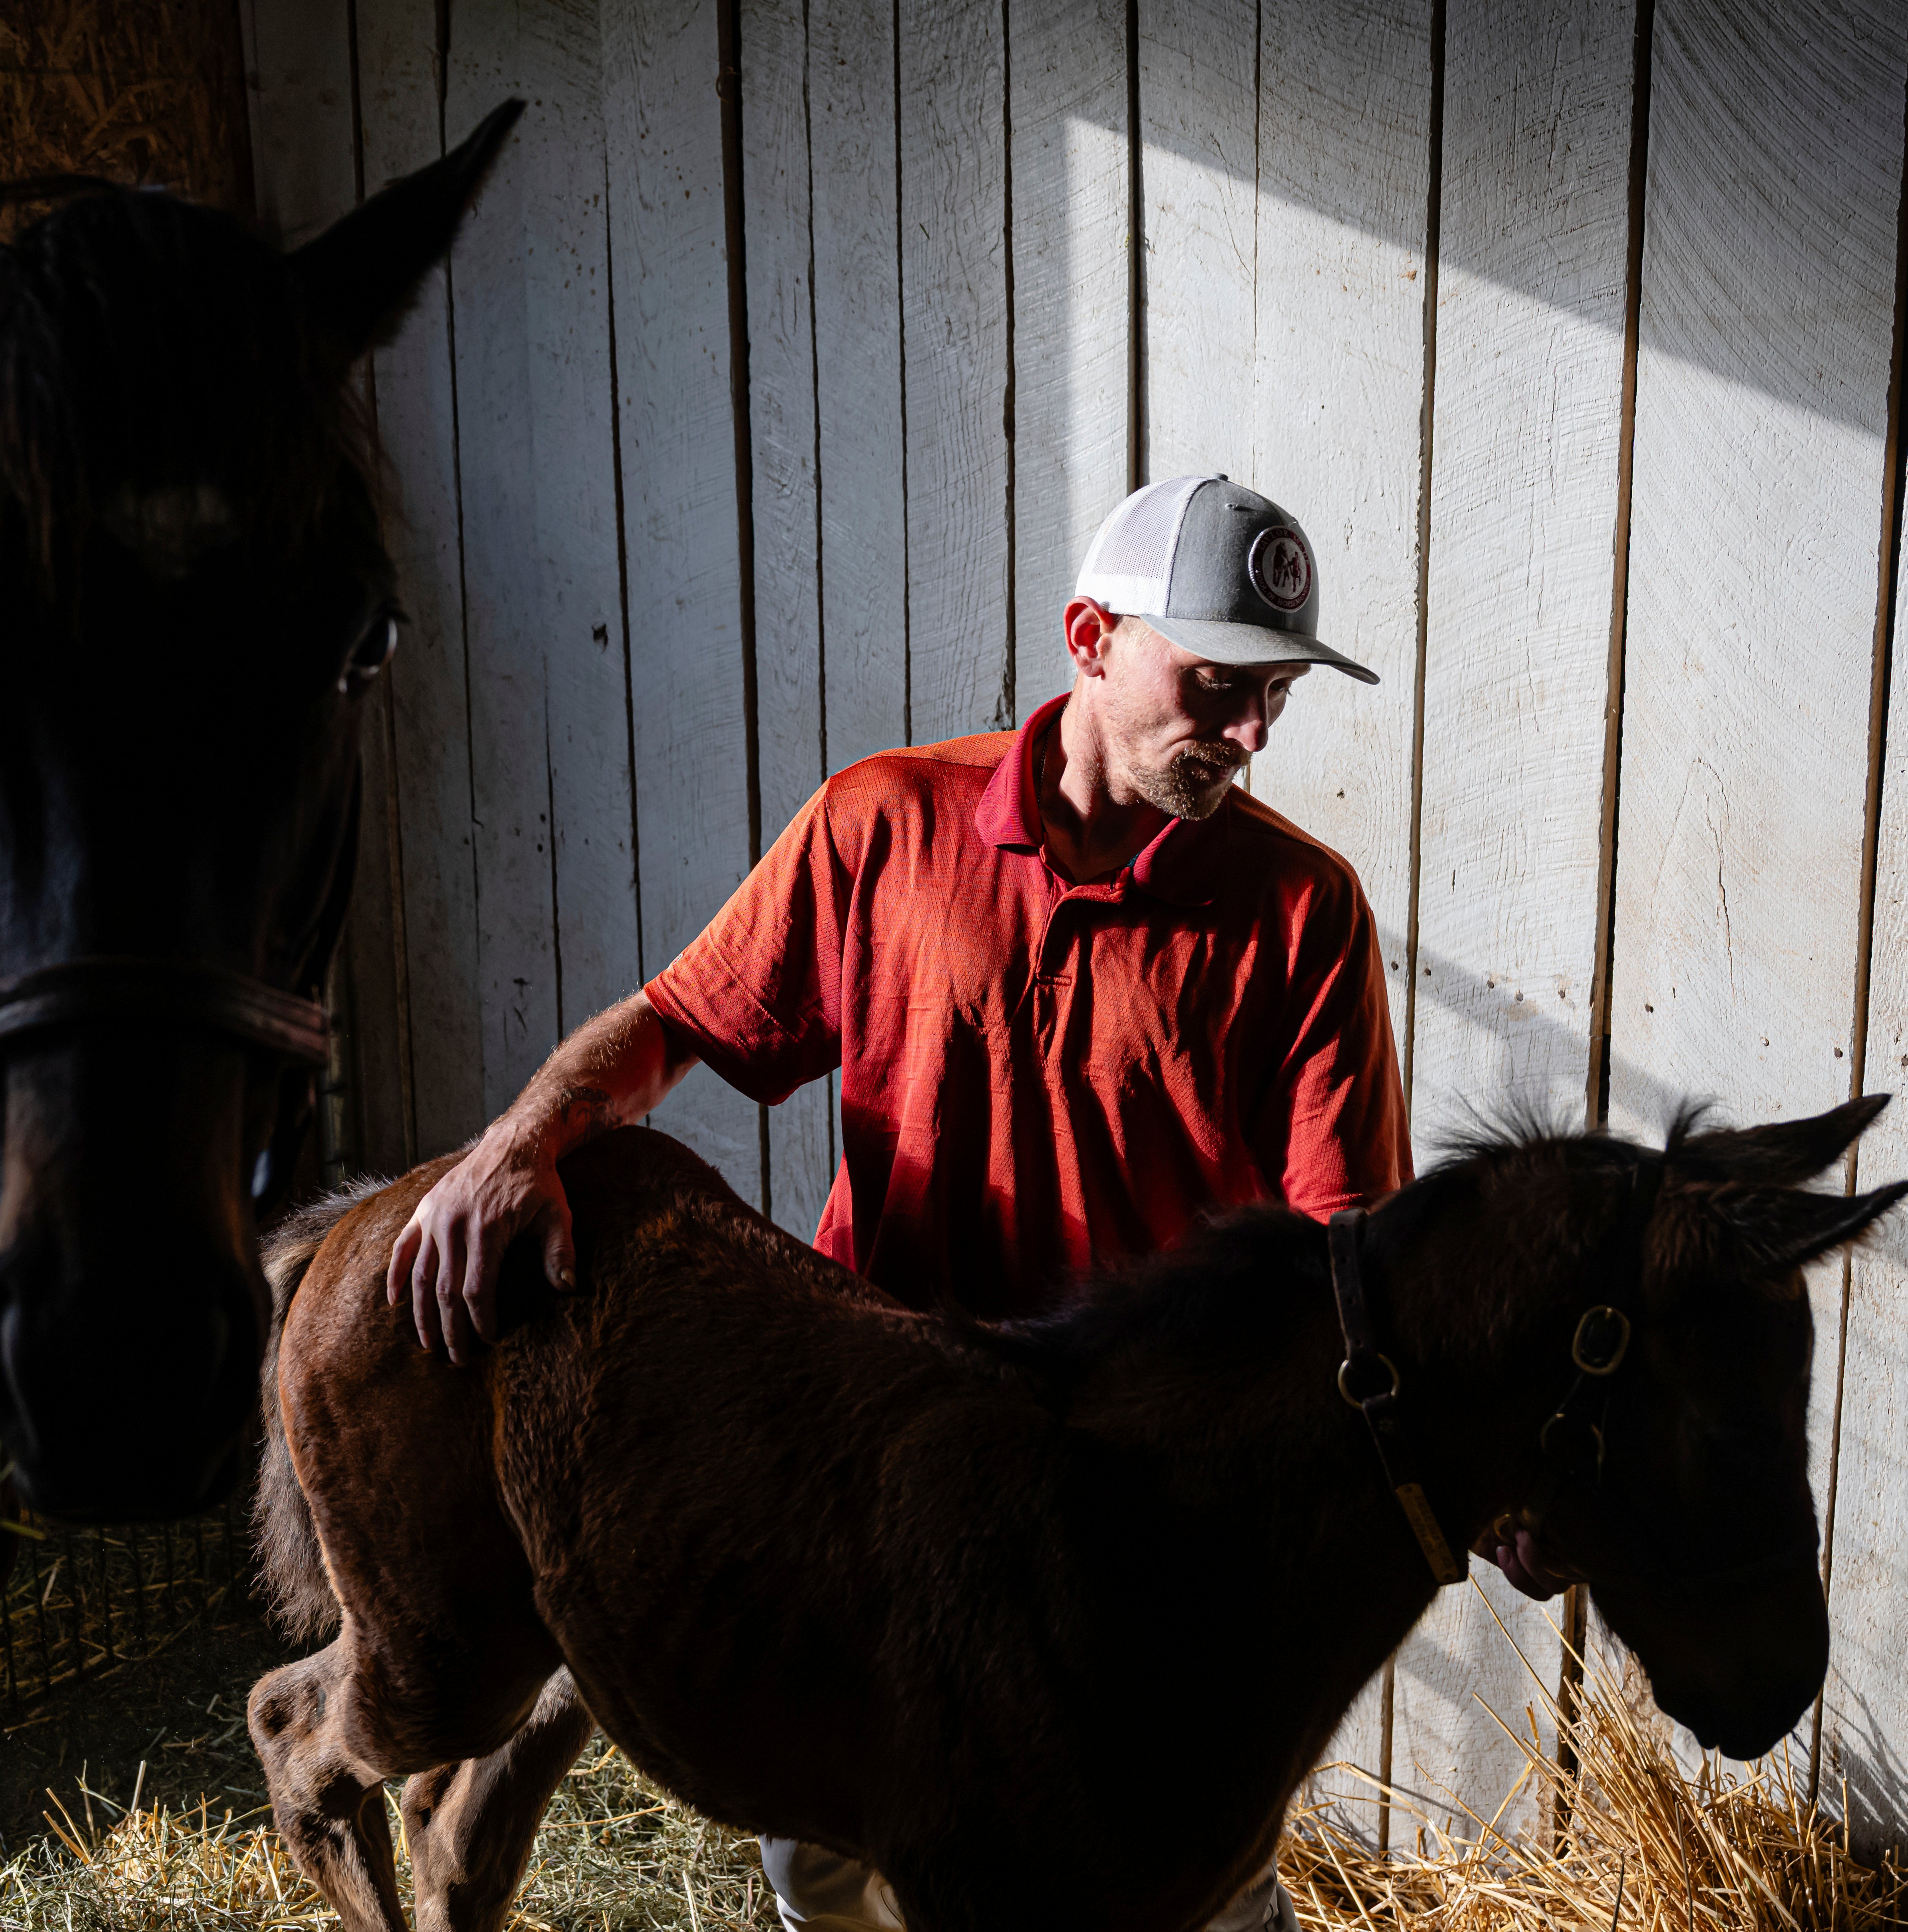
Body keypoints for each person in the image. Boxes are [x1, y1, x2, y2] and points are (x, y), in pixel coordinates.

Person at [385, 474, 1415, 1932]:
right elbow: (682, 1018)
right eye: (1216, 686)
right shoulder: (885, 824)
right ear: (1089, 637)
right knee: (835, 1851)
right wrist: (522, 1138)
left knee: (1187, 1868)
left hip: (1134, 1491)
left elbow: (1344, 1252)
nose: (1249, 734)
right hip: (878, 1456)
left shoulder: (1306, 913)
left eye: (1275, 696)